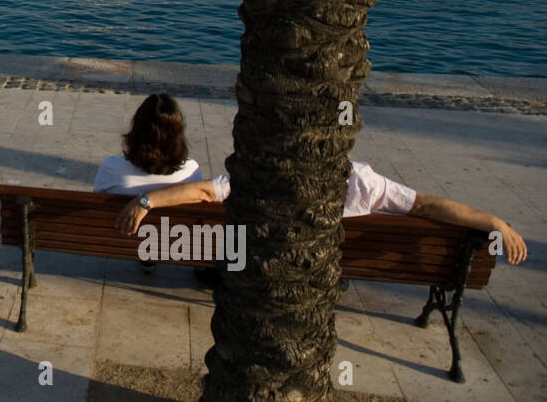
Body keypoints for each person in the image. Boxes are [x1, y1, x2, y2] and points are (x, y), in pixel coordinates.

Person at [113, 160, 528, 265]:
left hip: (257, 262)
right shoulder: (364, 181)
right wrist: (493, 221)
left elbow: (205, 192)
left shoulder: (267, 168)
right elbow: (427, 206)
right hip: (332, 266)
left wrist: (146, 200)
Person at [94, 93, 202, 270]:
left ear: (136, 130)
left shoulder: (110, 167)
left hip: (122, 240)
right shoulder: (191, 172)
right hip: (174, 242)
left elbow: (97, 202)